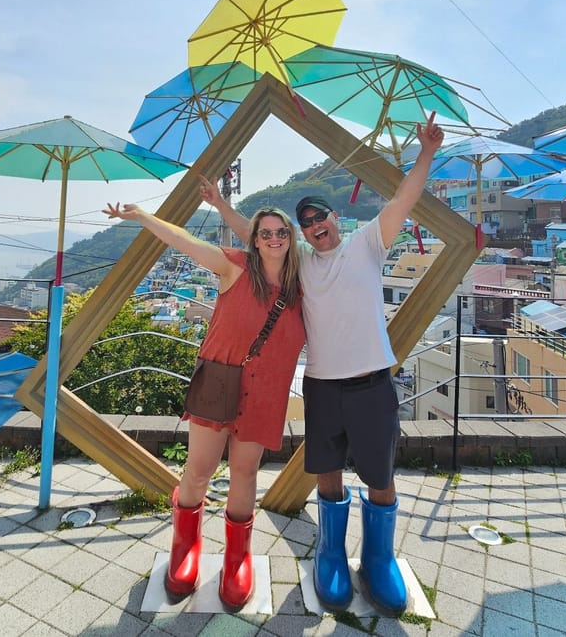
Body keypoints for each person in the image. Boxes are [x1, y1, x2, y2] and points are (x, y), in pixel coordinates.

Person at [200, 113, 444, 615]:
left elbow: (404, 199)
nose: (315, 228)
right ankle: (330, 554)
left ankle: (379, 559)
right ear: (302, 234)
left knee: (380, 473)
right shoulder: (300, 264)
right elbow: (255, 236)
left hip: (373, 381)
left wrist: (426, 152)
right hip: (322, 386)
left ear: (335, 218)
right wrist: (221, 203)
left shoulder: (369, 244)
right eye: (306, 224)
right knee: (327, 471)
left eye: (320, 219)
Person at [102, 201, 305, 610]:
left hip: (267, 392)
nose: (273, 238)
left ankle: (236, 561)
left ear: (290, 237)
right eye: (265, 233)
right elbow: (185, 241)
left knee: (245, 472)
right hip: (219, 381)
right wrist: (141, 216)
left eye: (280, 232)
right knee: (198, 470)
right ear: (255, 239)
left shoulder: (304, 284)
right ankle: (184, 549)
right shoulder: (235, 266)